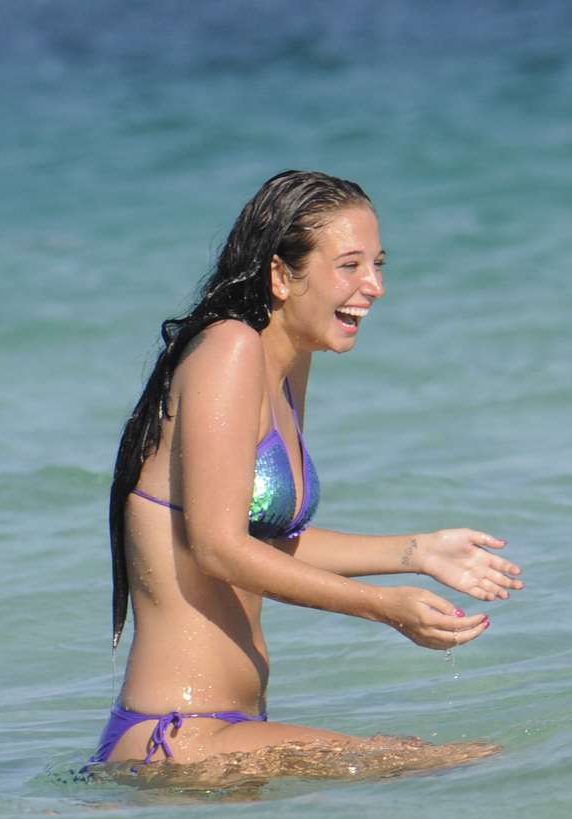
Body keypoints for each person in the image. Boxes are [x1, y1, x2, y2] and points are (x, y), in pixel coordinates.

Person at [94, 170, 522, 771]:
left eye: (378, 265)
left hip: (227, 728)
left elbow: (261, 543)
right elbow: (217, 548)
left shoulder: (289, 365)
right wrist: (384, 607)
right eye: (349, 266)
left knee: (445, 765)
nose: (374, 286)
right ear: (280, 275)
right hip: (177, 736)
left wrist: (415, 551)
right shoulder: (229, 349)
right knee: (456, 762)